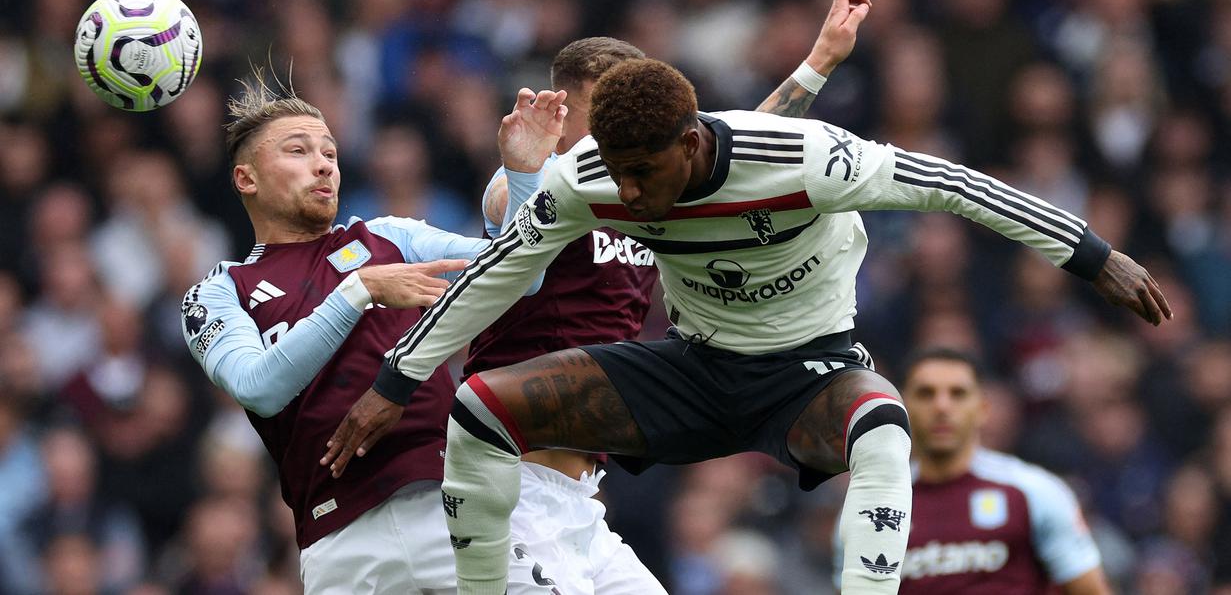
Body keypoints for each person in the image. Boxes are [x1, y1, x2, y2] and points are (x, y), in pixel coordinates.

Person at [375, 42, 1170, 595]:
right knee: (479, 405)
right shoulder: (589, 178)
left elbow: (949, 184)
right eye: (616, 174)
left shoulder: (807, 160)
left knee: (885, 429)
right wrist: (394, 378)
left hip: (804, 373)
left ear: (689, 143)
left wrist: (1092, 255)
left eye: (644, 174)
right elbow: (497, 273)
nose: (631, 196)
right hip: (693, 367)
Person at [325, 0, 876, 593]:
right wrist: (522, 166)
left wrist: (819, 61)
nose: (630, 128)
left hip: (584, 498)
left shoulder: (644, 186)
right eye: (610, 110)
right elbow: (517, 263)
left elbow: (748, 152)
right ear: (563, 111)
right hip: (518, 482)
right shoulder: (528, 189)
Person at [178, 73, 564, 594]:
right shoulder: (218, 292)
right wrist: (357, 290)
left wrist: (524, 174)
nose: (323, 165)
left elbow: (520, 275)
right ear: (246, 179)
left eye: (331, 154)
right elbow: (258, 388)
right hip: (339, 544)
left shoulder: (388, 237)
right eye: (298, 151)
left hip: (450, 510)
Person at [836, 347, 1112, 593]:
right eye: (926, 393)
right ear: (903, 407)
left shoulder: (1035, 491)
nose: (942, 407)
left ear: (982, 408)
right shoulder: (870, 507)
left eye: (958, 394)